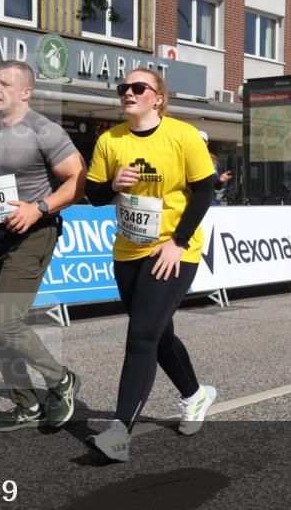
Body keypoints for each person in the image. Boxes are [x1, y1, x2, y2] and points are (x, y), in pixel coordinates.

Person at [83, 68, 218, 462]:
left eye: (138, 87)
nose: (128, 92)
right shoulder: (110, 140)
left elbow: (205, 190)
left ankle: (118, 433)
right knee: (157, 336)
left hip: (174, 250)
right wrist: (112, 186)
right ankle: (196, 395)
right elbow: (92, 195)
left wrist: (177, 242)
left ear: (158, 97)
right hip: (128, 252)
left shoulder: (182, 135)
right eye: (123, 87)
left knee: (140, 335)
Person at [0, 61, 87, 432]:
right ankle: (26, 405)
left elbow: (77, 180)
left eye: (4, 83)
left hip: (34, 232)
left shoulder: (45, 130)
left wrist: (39, 208)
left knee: (5, 319)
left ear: (25, 92)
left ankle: (60, 381)